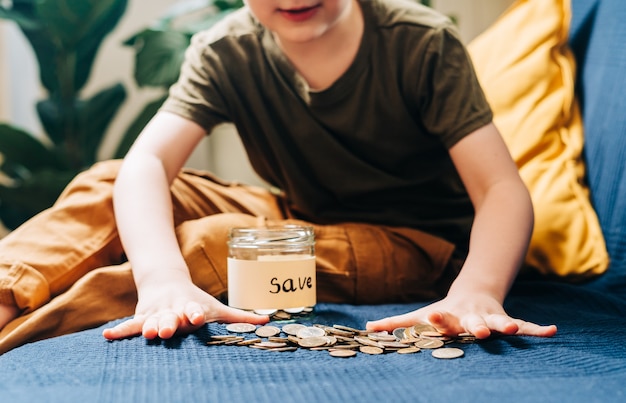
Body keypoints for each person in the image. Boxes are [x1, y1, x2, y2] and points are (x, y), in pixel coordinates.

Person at [0, 0, 557, 347]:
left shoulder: (422, 42)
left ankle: (18, 335)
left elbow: (500, 188)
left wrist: (478, 290)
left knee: (222, 246)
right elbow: (148, 163)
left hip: (416, 243)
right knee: (110, 178)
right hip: (301, 215)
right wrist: (160, 279)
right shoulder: (225, 49)